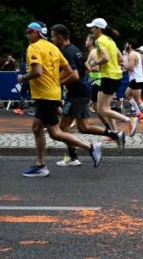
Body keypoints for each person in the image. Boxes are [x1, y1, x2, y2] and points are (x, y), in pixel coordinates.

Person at [19, 21, 103, 176]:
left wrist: (23, 77)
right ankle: (40, 164)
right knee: (37, 128)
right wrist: (55, 81)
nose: (27, 35)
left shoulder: (33, 47)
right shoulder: (53, 48)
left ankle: (90, 148)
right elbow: (69, 70)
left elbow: (37, 71)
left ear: (36, 33)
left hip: (45, 95)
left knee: (55, 132)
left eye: (29, 32)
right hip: (51, 93)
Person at [51, 24, 121, 166]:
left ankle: (74, 157)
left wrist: (58, 83)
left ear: (59, 36)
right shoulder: (75, 49)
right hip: (83, 91)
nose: (52, 39)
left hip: (76, 94)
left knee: (62, 127)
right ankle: (115, 135)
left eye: (53, 36)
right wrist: (86, 82)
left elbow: (75, 75)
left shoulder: (66, 52)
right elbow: (87, 68)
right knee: (83, 127)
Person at [87, 17, 138, 138]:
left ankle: (129, 120)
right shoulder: (110, 40)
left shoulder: (100, 41)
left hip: (108, 76)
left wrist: (95, 63)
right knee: (103, 108)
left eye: (93, 28)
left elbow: (105, 58)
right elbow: (120, 58)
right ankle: (114, 133)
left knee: (102, 110)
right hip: (114, 76)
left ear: (99, 29)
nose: (92, 30)